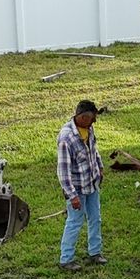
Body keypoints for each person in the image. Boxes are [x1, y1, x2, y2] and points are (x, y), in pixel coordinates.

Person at [56, 99, 105, 270]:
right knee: (75, 222)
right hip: (77, 189)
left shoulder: (88, 129)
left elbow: (94, 150)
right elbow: (63, 171)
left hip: (91, 184)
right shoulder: (66, 138)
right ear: (83, 117)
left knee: (95, 219)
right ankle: (66, 259)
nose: (94, 122)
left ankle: (95, 253)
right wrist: (72, 195)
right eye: (92, 118)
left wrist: (100, 168)